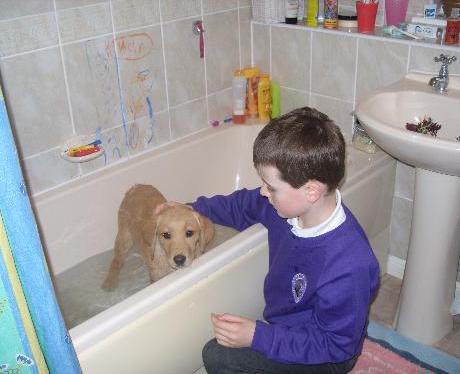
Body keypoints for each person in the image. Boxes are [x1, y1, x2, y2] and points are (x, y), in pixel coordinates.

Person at [159, 107, 380, 373]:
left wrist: (258, 337)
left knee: (218, 357)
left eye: (271, 187)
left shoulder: (349, 262)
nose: (263, 192)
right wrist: (188, 209)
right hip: (286, 329)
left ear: (311, 191)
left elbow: (336, 344)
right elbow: (240, 205)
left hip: (327, 355)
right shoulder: (283, 208)